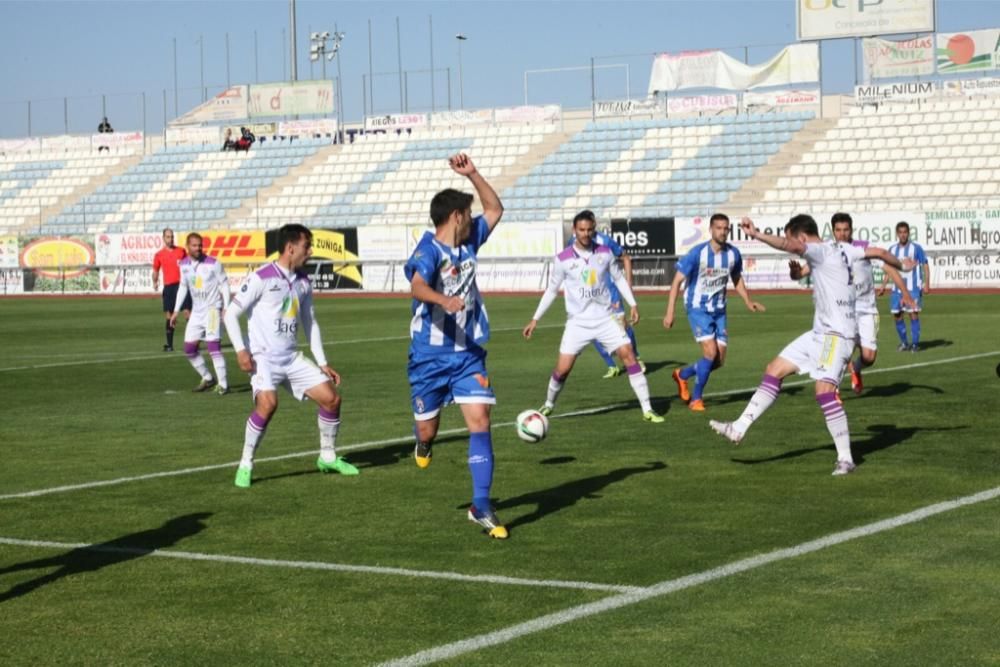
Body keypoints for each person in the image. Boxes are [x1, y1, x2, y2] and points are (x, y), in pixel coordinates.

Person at [708, 215, 906, 476]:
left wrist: (756, 235)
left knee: (824, 391)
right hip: (819, 332)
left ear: (801, 236)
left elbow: (791, 247)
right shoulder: (845, 248)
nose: (793, 243)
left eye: (793, 237)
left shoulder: (819, 250)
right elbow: (880, 252)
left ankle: (846, 459)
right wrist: (902, 264)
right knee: (774, 369)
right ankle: (739, 427)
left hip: (836, 335)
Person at [404, 153, 507, 539]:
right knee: (428, 430)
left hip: (468, 355)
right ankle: (423, 443)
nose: (473, 216)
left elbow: (496, 208)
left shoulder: (470, 242)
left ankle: (481, 505)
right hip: (428, 358)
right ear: (457, 217)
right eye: (468, 211)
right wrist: (442, 300)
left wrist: (473, 174)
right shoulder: (427, 250)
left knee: (481, 421)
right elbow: (416, 285)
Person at [223, 224, 358, 488]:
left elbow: (310, 322)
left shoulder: (303, 281)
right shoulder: (261, 277)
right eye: (307, 246)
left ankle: (327, 457)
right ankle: (245, 463)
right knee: (268, 405)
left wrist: (322, 363)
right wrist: (241, 350)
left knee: (331, 399)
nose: (310, 251)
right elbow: (230, 314)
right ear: (290, 247)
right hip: (264, 358)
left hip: (291, 358)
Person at [523, 210, 664, 424]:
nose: (586, 234)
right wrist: (535, 319)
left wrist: (633, 303)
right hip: (577, 323)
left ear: (594, 229)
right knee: (562, 370)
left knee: (628, 355)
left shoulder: (605, 253)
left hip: (606, 318)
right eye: (581, 230)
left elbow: (618, 279)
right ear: (574, 230)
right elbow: (552, 290)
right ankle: (549, 403)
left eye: (589, 230)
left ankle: (647, 409)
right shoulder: (562, 259)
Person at [789, 213, 915, 394]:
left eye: (846, 230)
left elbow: (888, 267)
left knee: (869, 357)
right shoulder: (827, 250)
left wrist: (905, 292)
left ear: (851, 230)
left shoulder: (863, 249)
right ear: (833, 231)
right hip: (840, 312)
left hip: (866, 309)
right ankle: (833, 390)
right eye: (838, 230)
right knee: (839, 352)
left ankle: (856, 368)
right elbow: (801, 273)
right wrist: (795, 273)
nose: (842, 234)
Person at [663, 213, 765, 411]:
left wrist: (748, 301)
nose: (723, 231)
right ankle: (696, 399)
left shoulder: (733, 254)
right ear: (710, 229)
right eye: (718, 228)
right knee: (710, 353)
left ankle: (682, 375)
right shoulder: (697, 254)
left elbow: (737, 278)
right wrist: (670, 312)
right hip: (697, 308)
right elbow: (676, 282)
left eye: (726, 228)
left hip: (719, 310)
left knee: (717, 361)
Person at [565, 215, 645, 379]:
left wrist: (628, 285)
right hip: (588, 295)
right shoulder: (572, 241)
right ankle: (612, 365)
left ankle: (636, 357)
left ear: (594, 225)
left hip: (610, 293)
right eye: (582, 228)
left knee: (623, 326)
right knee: (591, 329)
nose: (586, 231)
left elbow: (625, 257)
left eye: (590, 226)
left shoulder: (605, 240)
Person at [169, 233, 231, 395]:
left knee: (213, 346)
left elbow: (224, 284)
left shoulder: (213, 264)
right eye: (195, 245)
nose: (198, 248)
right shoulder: (183, 265)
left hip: (212, 309)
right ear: (188, 246)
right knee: (189, 349)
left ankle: (223, 385)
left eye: (200, 245)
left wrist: (226, 307)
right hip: (197, 311)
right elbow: (183, 287)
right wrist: (176, 311)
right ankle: (208, 378)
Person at [879, 221, 930, 352]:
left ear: (908, 233)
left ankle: (915, 344)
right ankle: (904, 343)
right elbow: (889, 268)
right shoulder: (892, 250)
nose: (903, 235)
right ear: (897, 234)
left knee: (913, 314)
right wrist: (883, 286)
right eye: (900, 232)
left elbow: (925, 265)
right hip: (896, 289)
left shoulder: (916, 248)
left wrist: (927, 284)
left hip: (913, 288)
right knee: (897, 315)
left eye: (905, 232)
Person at [152, 228, 190, 352]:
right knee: (169, 316)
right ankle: (170, 345)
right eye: (168, 237)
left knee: (187, 313)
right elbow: (156, 270)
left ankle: (193, 341)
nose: (170, 239)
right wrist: (155, 281)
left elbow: (189, 266)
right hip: (169, 287)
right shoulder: (159, 255)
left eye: (172, 236)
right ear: (163, 238)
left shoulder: (181, 251)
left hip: (182, 286)